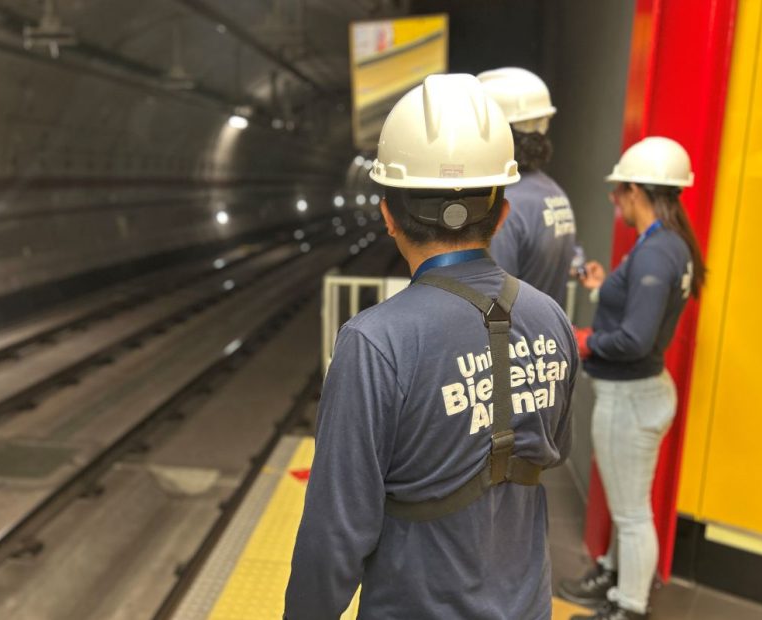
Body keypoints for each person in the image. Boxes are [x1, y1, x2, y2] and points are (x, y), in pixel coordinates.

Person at [285, 74, 577, 620]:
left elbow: (335, 534)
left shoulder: (374, 343)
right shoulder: (551, 318)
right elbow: (552, 449)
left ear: (388, 214)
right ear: (503, 212)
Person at [558, 137, 706, 620]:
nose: (613, 199)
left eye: (618, 190)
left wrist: (585, 341)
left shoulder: (654, 254)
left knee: (632, 513)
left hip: (631, 397)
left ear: (637, 191)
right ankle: (615, 576)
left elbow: (635, 340)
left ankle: (629, 607)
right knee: (628, 502)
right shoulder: (667, 243)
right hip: (641, 393)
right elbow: (639, 317)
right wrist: (604, 289)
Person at [478, 67, 577, 308]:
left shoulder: (505, 205)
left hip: (511, 342)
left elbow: (492, 302)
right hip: (544, 339)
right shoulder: (552, 192)